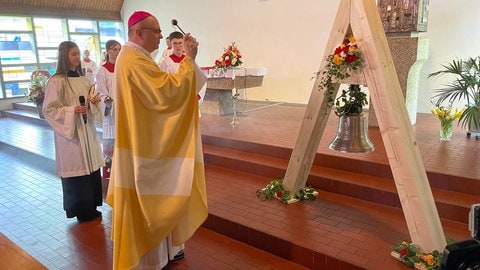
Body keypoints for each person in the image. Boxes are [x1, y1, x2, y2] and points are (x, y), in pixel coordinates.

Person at [106, 11, 208, 270]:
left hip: (142, 143)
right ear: (139, 33)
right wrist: (190, 60)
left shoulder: (136, 58)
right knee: (147, 209)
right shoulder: (133, 60)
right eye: (157, 31)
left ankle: (159, 258)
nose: (161, 36)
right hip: (143, 151)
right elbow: (167, 94)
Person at [42, 41, 104, 223]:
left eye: (78, 53)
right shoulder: (57, 81)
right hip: (72, 133)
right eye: (73, 54)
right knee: (77, 169)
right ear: (64, 56)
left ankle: (91, 207)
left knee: (91, 167)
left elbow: (92, 100)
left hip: (86, 129)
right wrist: (71, 110)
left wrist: (93, 102)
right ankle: (80, 209)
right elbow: (49, 109)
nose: (77, 57)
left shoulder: (84, 80)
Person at [159, 31, 206, 114]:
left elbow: (198, 79)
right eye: (175, 43)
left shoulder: (190, 60)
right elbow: (164, 85)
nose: (178, 46)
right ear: (171, 44)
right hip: (175, 102)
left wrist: (197, 95)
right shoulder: (165, 63)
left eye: (180, 43)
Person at [95, 40, 121, 179]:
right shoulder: (102, 71)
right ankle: (109, 171)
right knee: (112, 138)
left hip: (123, 109)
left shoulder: (123, 68)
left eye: (119, 49)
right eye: (114, 49)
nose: (117, 52)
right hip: (111, 111)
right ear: (108, 51)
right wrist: (109, 101)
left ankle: (123, 169)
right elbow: (100, 92)